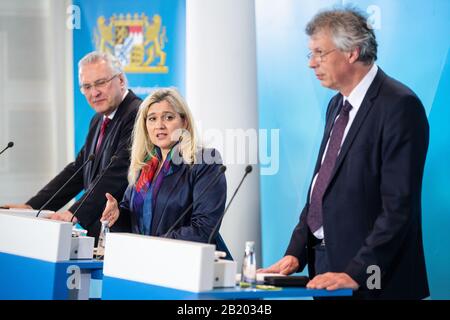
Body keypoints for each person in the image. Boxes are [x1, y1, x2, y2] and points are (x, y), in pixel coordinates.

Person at [259, 7, 429, 299]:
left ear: (352, 51)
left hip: (374, 279)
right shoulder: (336, 105)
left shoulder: (400, 106)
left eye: (320, 53)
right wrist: (296, 253)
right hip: (325, 269)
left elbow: (398, 208)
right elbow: (321, 189)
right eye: (310, 54)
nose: (312, 63)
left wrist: (356, 272)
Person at [3, 51, 142, 240]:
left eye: (101, 82)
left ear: (121, 80)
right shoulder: (98, 119)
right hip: (98, 231)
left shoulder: (138, 114)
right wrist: (33, 206)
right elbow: (78, 170)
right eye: (87, 86)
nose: (94, 92)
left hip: (125, 231)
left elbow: (117, 173)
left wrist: (75, 212)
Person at [100, 88, 231, 257]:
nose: (159, 125)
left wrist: (154, 246)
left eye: (168, 117)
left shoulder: (205, 161)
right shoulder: (144, 166)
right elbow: (133, 218)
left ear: (184, 122)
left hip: (190, 265)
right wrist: (118, 215)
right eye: (152, 119)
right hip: (145, 263)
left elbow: (204, 228)